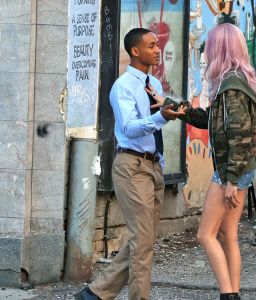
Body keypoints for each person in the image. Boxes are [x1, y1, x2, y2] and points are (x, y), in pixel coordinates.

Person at [145, 23, 256, 300]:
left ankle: (227, 295)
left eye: (210, 47)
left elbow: (241, 138)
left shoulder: (232, 87)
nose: (206, 53)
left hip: (230, 172)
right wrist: (171, 103)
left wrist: (230, 181)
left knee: (204, 235)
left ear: (220, 49)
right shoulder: (234, 82)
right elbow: (207, 120)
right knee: (227, 235)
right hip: (240, 170)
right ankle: (233, 294)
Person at [75, 28, 185, 300]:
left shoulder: (154, 85)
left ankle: (95, 293)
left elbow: (162, 116)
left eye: (157, 45)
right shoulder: (123, 86)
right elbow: (129, 127)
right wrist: (161, 118)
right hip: (132, 167)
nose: (158, 50)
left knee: (144, 240)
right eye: (151, 45)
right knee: (143, 242)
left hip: (153, 167)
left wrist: (172, 111)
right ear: (135, 51)